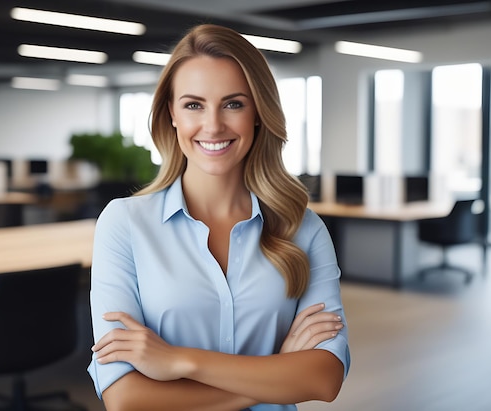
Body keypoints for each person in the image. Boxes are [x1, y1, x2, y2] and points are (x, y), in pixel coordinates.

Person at [87, 23, 350, 411]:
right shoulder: (124, 224)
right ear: (171, 114)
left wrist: (179, 361)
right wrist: (277, 371)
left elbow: (324, 378)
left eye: (233, 104)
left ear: (259, 113)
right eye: (194, 104)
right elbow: (125, 398)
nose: (213, 125)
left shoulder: (303, 229)